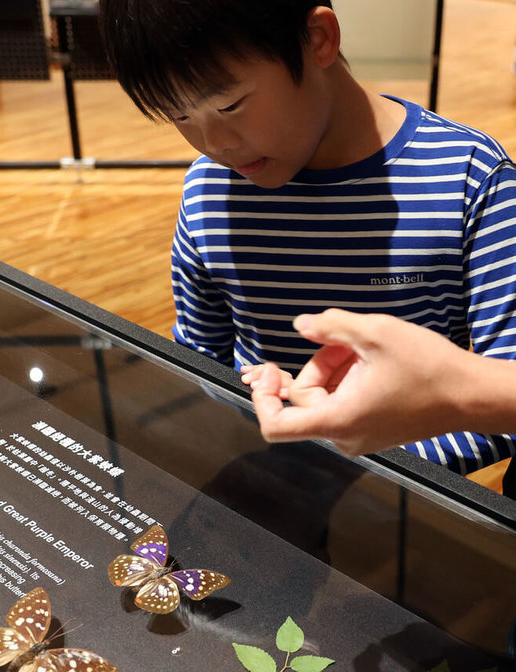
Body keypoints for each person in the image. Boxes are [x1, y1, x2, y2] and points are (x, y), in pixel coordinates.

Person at [99, 0, 516, 476]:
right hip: (264, 491)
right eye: (180, 117)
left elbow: (505, 397)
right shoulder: (209, 190)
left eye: (230, 105)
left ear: (317, 39)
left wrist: (351, 470)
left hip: (403, 513)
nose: (215, 145)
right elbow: (199, 365)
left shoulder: (468, 177)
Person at [251, 309, 516, 457]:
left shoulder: (476, 210)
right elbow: (211, 352)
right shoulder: (208, 214)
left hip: (407, 502)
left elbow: (503, 428)